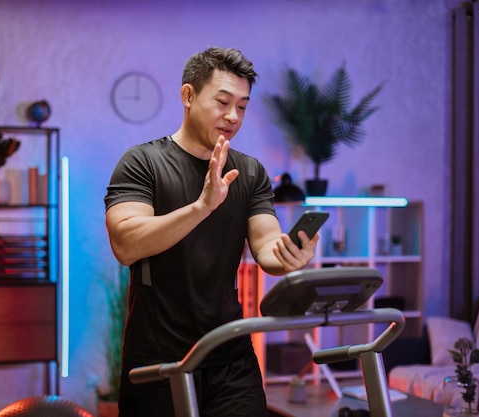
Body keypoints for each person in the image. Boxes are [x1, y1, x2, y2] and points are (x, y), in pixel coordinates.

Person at [104, 46, 319, 417]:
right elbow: (126, 244)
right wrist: (202, 206)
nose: (233, 116)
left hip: (230, 356)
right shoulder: (143, 162)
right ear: (188, 96)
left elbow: (266, 243)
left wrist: (287, 256)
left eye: (242, 106)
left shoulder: (249, 172)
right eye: (222, 102)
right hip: (158, 358)